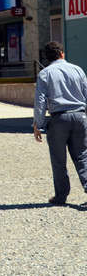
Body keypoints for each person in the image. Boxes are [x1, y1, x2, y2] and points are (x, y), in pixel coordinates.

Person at [33, 41, 87, 206]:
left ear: (47, 57)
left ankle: (61, 196)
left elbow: (40, 102)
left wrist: (38, 124)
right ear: (62, 53)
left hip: (59, 119)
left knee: (58, 160)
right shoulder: (77, 70)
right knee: (83, 156)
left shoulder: (45, 74)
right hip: (80, 116)